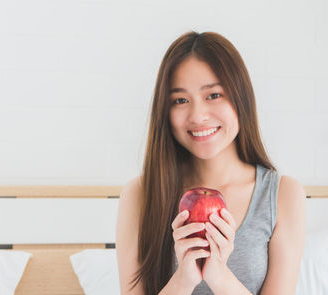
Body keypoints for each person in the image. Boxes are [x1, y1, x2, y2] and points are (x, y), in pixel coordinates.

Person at [116, 31, 306, 295]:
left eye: (213, 95)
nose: (198, 116)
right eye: (180, 100)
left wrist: (219, 276)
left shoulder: (282, 195)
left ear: (241, 98)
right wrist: (183, 280)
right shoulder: (140, 195)